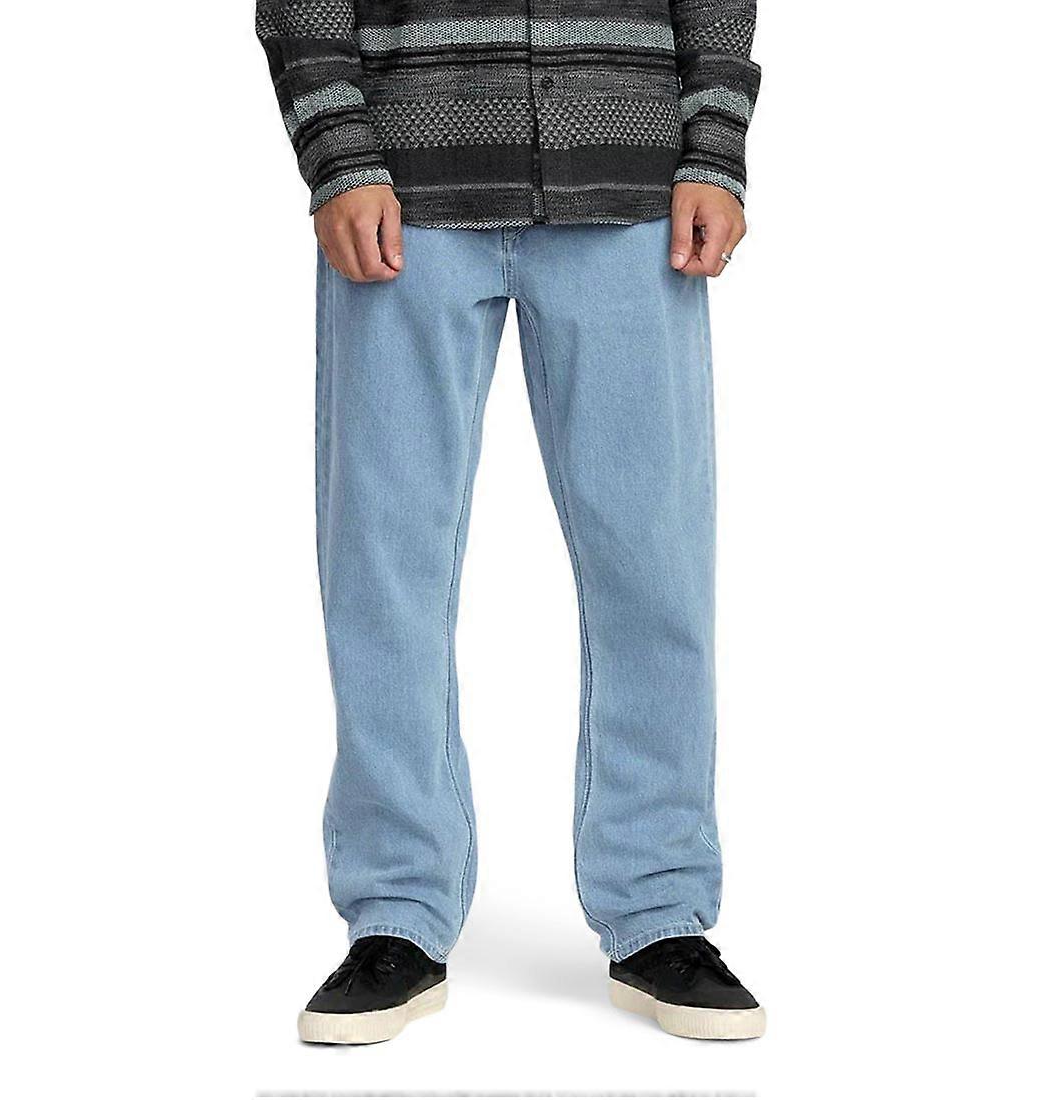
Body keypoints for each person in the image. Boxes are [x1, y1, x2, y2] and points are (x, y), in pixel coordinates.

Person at [257, 0, 764, 1043]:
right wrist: (338, 153)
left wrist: (713, 145)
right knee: (382, 563)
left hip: (629, 181)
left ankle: (659, 905)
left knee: (656, 565)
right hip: (402, 188)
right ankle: (395, 909)